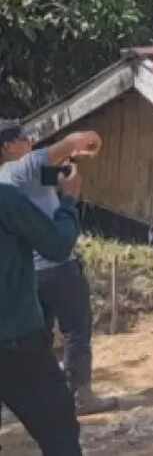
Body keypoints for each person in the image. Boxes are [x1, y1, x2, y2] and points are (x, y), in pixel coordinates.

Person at [0, 121, 115, 415]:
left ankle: (36, 398)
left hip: (29, 272)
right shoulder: (20, 168)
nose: (30, 141)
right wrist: (86, 141)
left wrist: (67, 170)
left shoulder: (14, 177)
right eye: (22, 137)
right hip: (58, 265)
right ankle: (81, 396)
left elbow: (58, 174)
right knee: (77, 331)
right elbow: (75, 141)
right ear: (7, 147)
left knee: (40, 337)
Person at [0, 161, 85, 456]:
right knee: (59, 432)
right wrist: (69, 200)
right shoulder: (5, 198)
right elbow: (58, 244)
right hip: (16, 342)